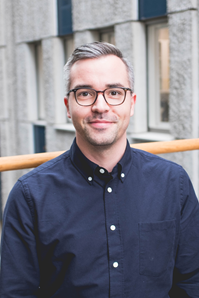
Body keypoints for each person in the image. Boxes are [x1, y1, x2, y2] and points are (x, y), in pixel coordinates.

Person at [0, 42, 199, 298]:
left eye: (114, 92)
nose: (101, 106)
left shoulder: (174, 183)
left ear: (132, 103)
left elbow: (192, 281)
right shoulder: (30, 196)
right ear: (68, 107)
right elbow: (16, 293)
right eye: (85, 93)